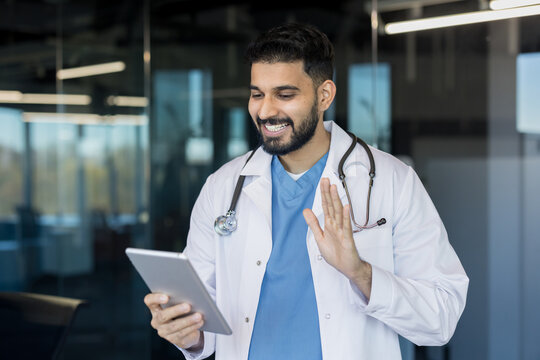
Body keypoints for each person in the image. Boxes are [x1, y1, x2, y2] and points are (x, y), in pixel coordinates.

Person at [144, 22, 469, 359]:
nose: (266, 110)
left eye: (285, 95)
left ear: (324, 95)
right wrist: (186, 332)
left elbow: (440, 318)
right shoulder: (224, 186)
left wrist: (360, 273)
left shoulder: (391, 181)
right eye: (257, 94)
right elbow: (204, 322)